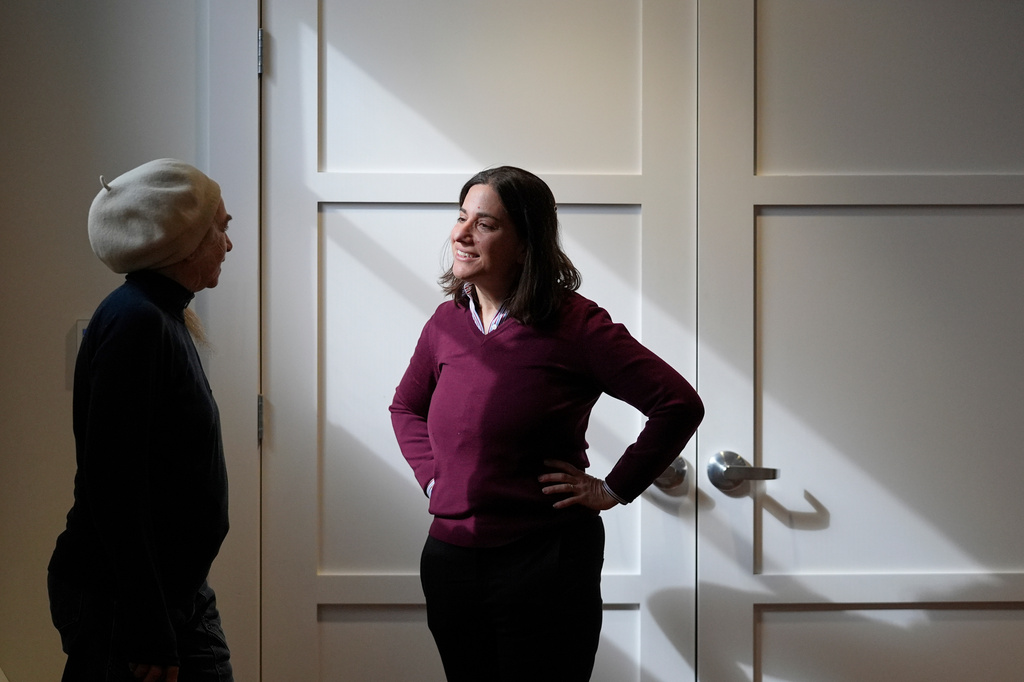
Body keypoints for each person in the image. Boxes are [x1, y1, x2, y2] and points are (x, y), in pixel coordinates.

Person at [389, 166, 704, 682]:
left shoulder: (576, 324)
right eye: (461, 217)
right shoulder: (445, 324)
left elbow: (677, 403)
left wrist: (613, 487)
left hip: (546, 561)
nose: (461, 234)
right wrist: (432, 476)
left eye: (484, 224)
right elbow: (406, 408)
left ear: (525, 242)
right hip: (450, 561)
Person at [48, 159, 234, 682]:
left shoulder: (161, 316)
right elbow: (113, 486)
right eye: (220, 227)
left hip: (172, 593)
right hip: (124, 602)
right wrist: (148, 625)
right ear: (183, 240)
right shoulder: (136, 322)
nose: (229, 243)